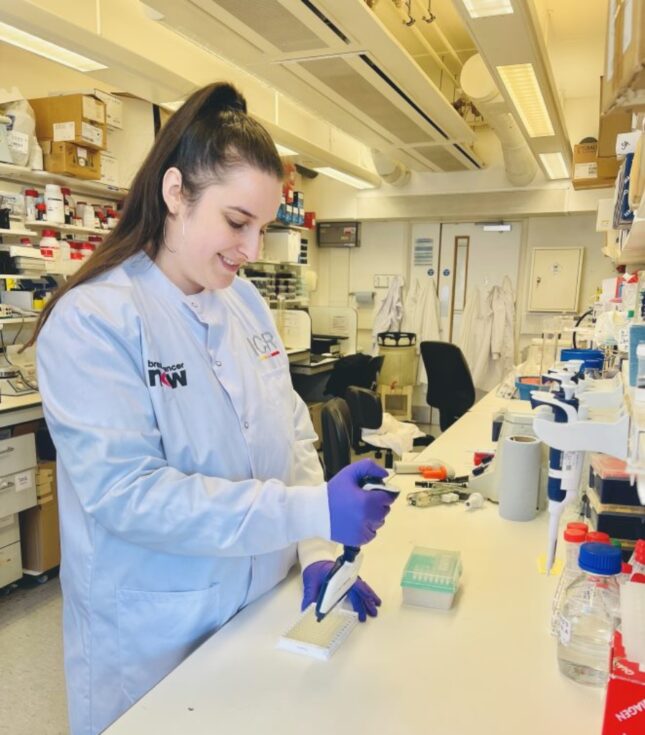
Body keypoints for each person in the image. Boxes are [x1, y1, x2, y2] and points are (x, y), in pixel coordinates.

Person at [31, 82, 395, 735]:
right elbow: (130, 496)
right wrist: (311, 510)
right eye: (236, 222)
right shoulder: (94, 320)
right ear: (175, 193)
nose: (252, 249)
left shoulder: (245, 304)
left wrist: (314, 548)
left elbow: (291, 433)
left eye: (262, 226)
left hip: (254, 616)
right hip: (151, 642)